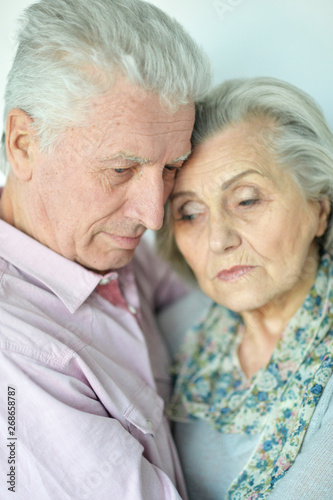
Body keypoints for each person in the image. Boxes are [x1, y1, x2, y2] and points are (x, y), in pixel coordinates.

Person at [0, 0, 211, 498]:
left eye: (171, 167)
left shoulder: (101, 242)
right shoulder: (15, 353)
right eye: (120, 170)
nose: (154, 215)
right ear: (24, 143)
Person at [157, 77, 333, 499]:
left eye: (247, 199)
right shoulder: (168, 333)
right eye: (190, 212)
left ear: (319, 207)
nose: (219, 239)